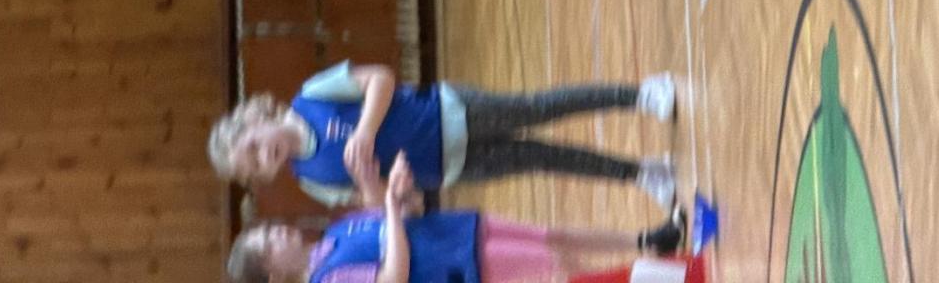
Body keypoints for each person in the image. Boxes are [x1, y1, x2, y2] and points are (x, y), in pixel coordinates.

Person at [207, 63, 678, 208]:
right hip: (452, 167)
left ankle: (640, 95)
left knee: (540, 108)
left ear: (255, 119)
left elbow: (381, 79)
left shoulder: (312, 94)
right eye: (257, 164)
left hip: (452, 112)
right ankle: (642, 173)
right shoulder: (314, 179)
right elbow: (383, 205)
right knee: (544, 159)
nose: (265, 155)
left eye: (254, 146)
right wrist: (373, 183)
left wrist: (366, 130)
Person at [227, 155, 684, 283]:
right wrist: (391, 210)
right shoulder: (328, 277)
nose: (277, 232)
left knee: (553, 235)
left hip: (456, 229)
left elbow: (406, 214)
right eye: (268, 243)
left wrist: (400, 190)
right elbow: (393, 274)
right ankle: (664, 274)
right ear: (273, 272)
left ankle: (650, 240)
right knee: (558, 262)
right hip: (461, 265)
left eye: (268, 230)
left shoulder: (336, 232)